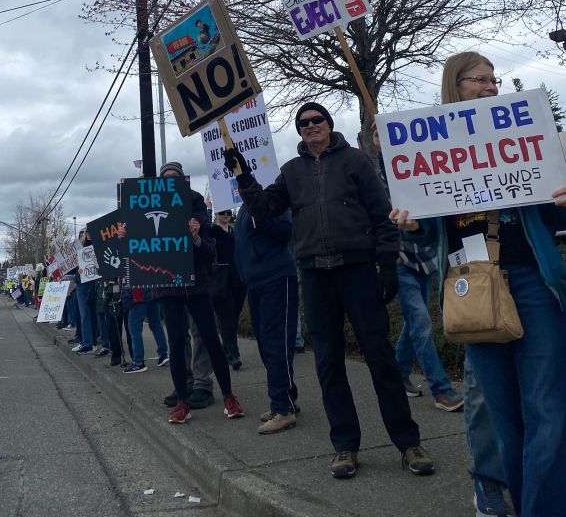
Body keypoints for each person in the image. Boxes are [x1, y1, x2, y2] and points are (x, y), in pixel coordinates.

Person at [391, 52, 566, 517]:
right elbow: (431, 230)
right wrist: (411, 225)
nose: (490, 86)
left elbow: (552, 213)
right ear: (456, 85)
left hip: (531, 281)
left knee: (548, 410)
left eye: (494, 79)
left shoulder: (525, 138)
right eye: (479, 79)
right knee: (504, 418)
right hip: (469, 286)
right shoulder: (433, 151)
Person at [225, 102, 434, 479]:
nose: (310, 126)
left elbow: (381, 214)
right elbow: (265, 208)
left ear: (329, 124)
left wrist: (387, 263)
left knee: (380, 359)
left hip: (357, 271)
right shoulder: (291, 172)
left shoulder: (355, 162)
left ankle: (408, 442)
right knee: (328, 364)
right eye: (303, 123)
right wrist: (243, 177)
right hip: (315, 275)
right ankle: (344, 446)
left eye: (316, 120)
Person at [118, 159, 245, 424]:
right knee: (176, 342)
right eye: (166, 177)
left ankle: (229, 396)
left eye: (176, 177)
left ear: (183, 180)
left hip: (196, 284)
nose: (170, 180)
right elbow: (134, 253)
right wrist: (125, 237)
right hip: (168, 287)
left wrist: (197, 235)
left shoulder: (196, 204)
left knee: (210, 338)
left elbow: (209, 252)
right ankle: (183, 401)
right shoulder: (146, 206)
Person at [371, 124, 463, 412]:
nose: (383, 140)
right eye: (377, 136)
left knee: (414, 323)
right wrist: (385, 255)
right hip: (401, 262)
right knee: (421, 321)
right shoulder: (374, 181)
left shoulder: (422, 170)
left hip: (426, 258)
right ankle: (441, 389)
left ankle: (398, 373)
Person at [234, 199, 299, 433]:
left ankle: (283, 409)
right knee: (265, 342)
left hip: (276, 278)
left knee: (275, 342)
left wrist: (261, 217)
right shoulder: (243, 205)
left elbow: (285, 233)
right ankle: (286, 397)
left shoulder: (272, 199)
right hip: (256, 282)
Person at [209, 208, 247, 369]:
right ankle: (233, 354)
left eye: (228, 213)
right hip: (221, 281)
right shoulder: (212, 232)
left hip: (238, 279)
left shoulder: (236, 231)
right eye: (222, 212)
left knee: (234, 317)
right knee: (226, 318)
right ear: (216, 214)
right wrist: (208, 207)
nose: (225, 215)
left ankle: (226, 350)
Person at [121, 286, 169, 373]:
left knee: (134, 329)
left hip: (138, 293)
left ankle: (138, 362)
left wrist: (126, 298)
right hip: (153, 293)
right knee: (156, 325)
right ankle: (163, 354)